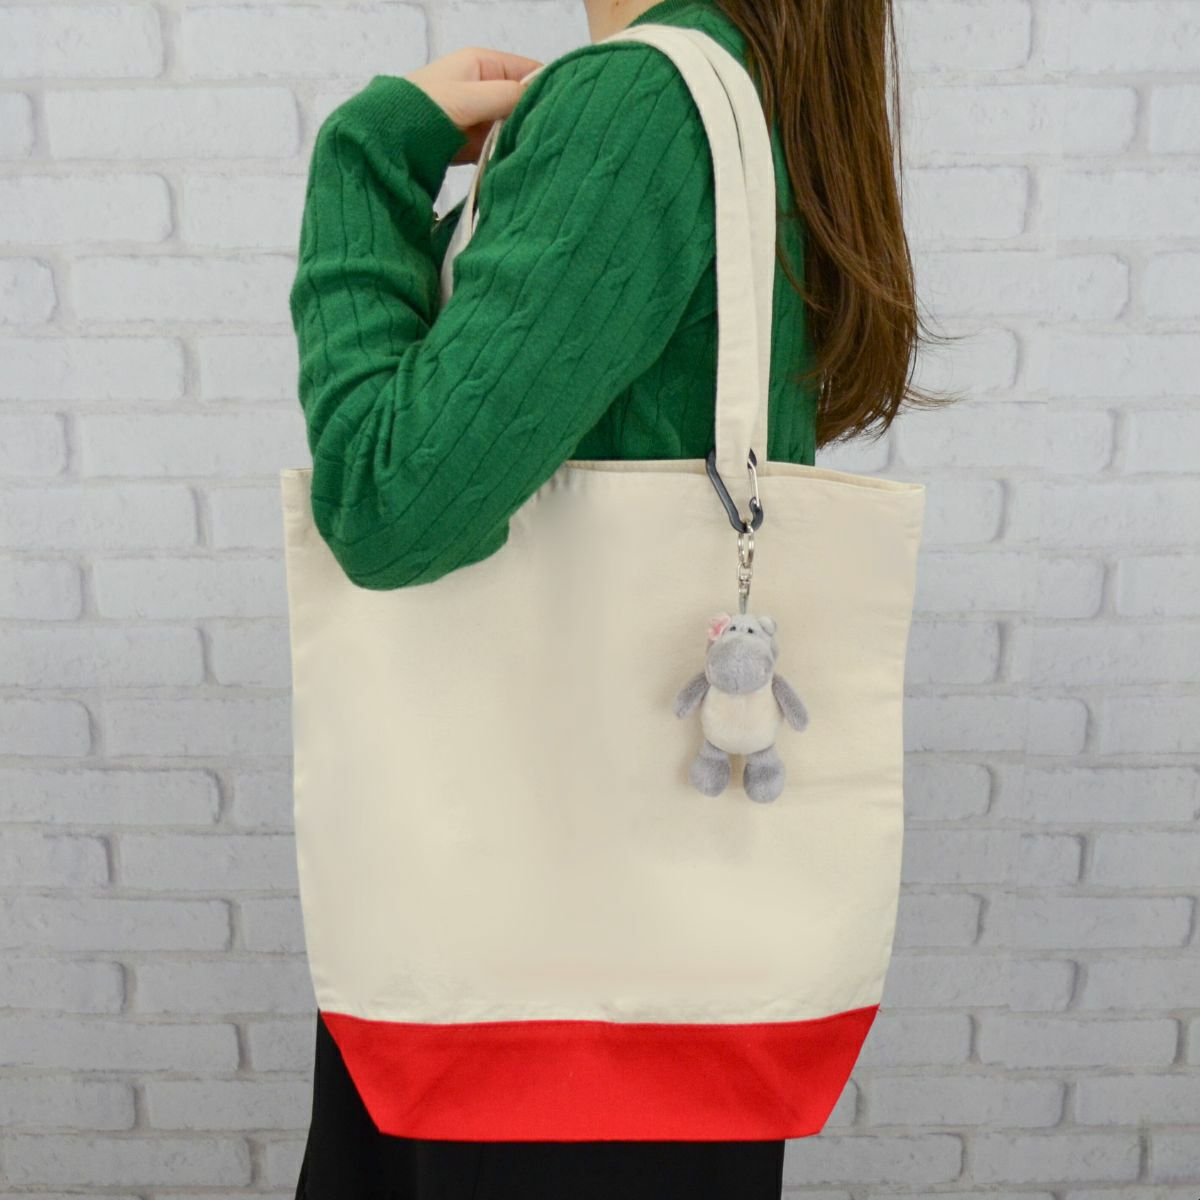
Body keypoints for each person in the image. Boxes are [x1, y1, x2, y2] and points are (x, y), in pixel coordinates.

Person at [288, 0, 944, 1194]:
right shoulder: (750, 81)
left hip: (528, 1000)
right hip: (643, 980)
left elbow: (385, 506)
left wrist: (364, 157)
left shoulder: (637, 108)